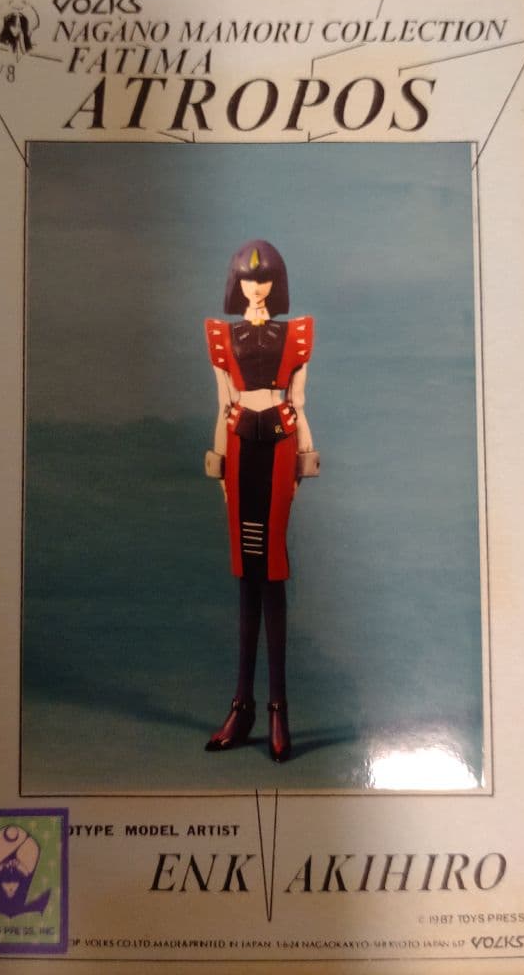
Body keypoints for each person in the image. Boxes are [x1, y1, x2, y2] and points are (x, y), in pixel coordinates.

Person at [203, 239, 319, 763]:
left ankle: (277, 708)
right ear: (237, 283)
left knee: (271, 569)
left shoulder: (296, 335)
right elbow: (222, 404)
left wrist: (305, 463)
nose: (256, 287)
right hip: (238, 446)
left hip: (279, 445)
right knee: (246, 571)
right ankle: (242, 705)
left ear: (277, 282)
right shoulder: (220, 336)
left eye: (265, 278)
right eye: (249, 279)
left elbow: (299, 403)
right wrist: (219, 468)